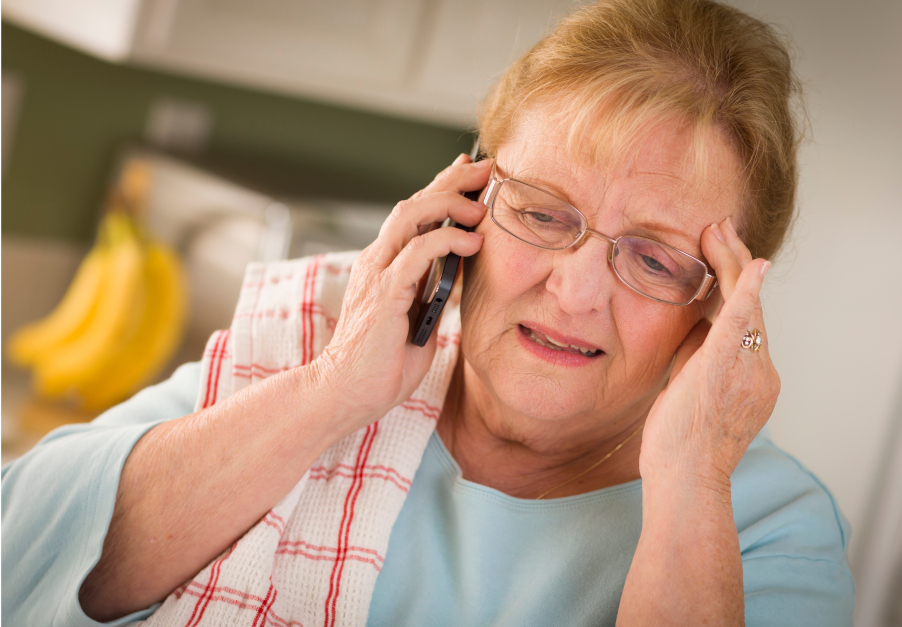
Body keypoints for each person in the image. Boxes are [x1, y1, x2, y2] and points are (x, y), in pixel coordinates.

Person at [2, 0, 855, 625]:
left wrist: (690, 486)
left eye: (657, 259)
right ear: (470, 197)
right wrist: (333, 392)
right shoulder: (319, 338)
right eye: (544, 212)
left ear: (724, 301)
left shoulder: (767, 525)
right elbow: (24, 556)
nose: (576, 288)